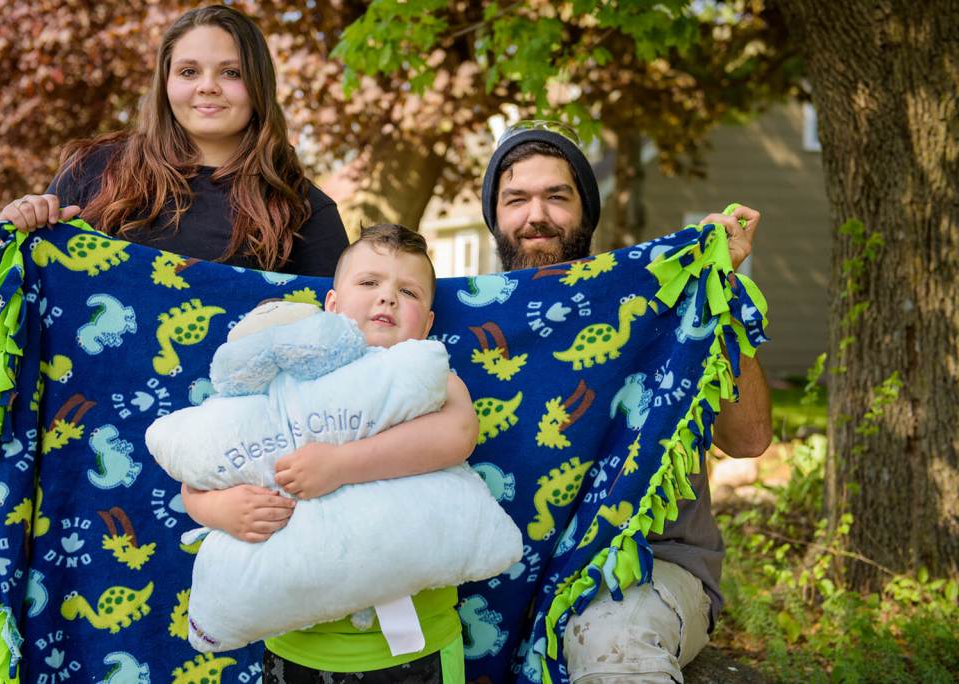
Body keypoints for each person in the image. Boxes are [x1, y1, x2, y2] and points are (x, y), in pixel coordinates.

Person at [481, 121, 774, 683]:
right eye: (516, 199)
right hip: (504, 571)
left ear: (586, 213)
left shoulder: (658, 303)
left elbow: (750, 439)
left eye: (557, 196)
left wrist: (719, 290)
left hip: (644, 568)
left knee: (612, 642)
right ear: (495, 216)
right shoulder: (471, 326)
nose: (536, 215)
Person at [185, 224, 479, 684]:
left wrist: (341, 466)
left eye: (408, 291)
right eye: (369, 282)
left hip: (413, 643)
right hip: (296, 643)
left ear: (426, 324)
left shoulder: (425, 378)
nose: (387, 298)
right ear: (333, 306)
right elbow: (203, 466)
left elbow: (457, 433)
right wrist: (220, 509)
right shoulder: (282, 380)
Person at [0, 4, 349, 275]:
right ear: (165, 83)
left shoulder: (304, 211)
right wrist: (24, 222)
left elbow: (336, 334)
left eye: (231, 72)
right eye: (188, 71)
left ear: (259, 85)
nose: (207, 86)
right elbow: (21, 288)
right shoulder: (93, 171)